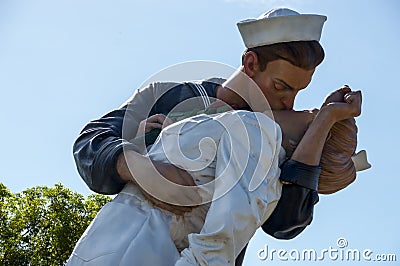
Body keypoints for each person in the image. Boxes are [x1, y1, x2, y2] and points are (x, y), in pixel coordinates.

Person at [69, 7, 358, 265]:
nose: (289, 102)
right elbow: (89, 144)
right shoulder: (165, 95)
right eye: (281, 86)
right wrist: (138, 164)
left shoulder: (270, 137)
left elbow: (286, 223)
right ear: (251, 63)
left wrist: (323, 122)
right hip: (115, 245)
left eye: (297, 92)